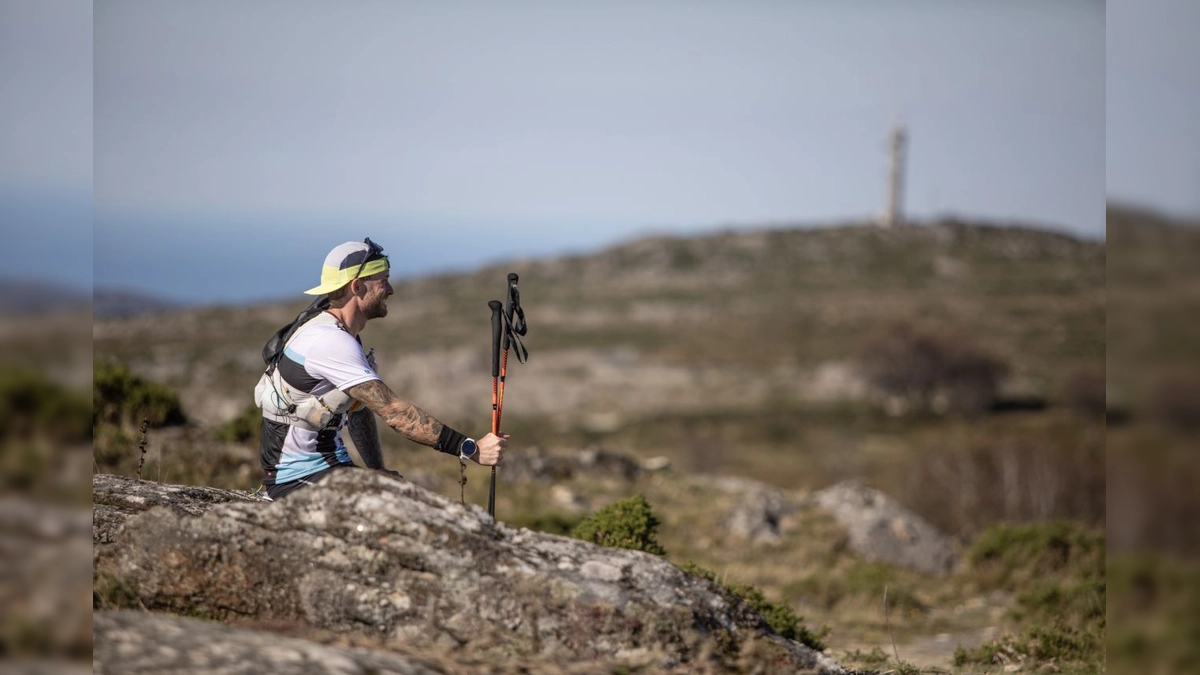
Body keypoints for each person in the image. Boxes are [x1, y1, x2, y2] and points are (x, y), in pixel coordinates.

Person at [254, 238, 507, 500]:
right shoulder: (330, 341)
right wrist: (472, 449)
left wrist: (378, 470)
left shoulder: (339, 333)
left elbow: (359, 411)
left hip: (323, 471)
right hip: (296, 480)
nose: (391, 289)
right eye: (383, 280)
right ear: (357, 286)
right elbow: (396, 413)